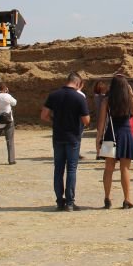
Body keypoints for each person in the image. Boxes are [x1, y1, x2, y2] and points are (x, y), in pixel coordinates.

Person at [41, 72, 91, 211]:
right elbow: (86, 120)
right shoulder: (79, 97)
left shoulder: (54, 95)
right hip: (73, 137)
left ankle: (59, 201)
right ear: (78, 83)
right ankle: (70, 202)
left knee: (58, 169)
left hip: (58, 136)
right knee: (71, 169)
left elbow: (44, 115)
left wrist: (55, 120)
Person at [96, 75, 133, 209]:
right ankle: (127, 199)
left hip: (111, 134)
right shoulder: (129, 100)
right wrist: (131, 93)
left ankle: (107, 198)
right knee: (125, 169)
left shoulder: (107, 101)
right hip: (125, 134)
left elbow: (101, 122)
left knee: (108, 168)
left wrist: (98, 139)